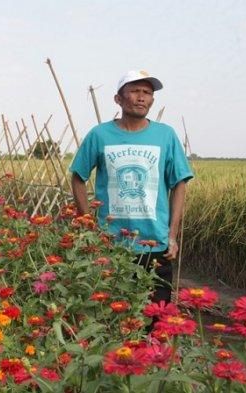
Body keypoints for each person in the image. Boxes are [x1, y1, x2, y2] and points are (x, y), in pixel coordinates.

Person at [69, 70, 193, 303]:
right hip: (111, 244)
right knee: (113, 314)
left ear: (152, 100)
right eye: (134, 91)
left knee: (157, 316)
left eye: (147, 92)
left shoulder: (165, 135)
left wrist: (173, 235)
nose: (141, 97)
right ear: (118, 99)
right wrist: (88, 225)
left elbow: (180, 184)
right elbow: (77, 177)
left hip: (156, 245)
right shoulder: (100, 135)